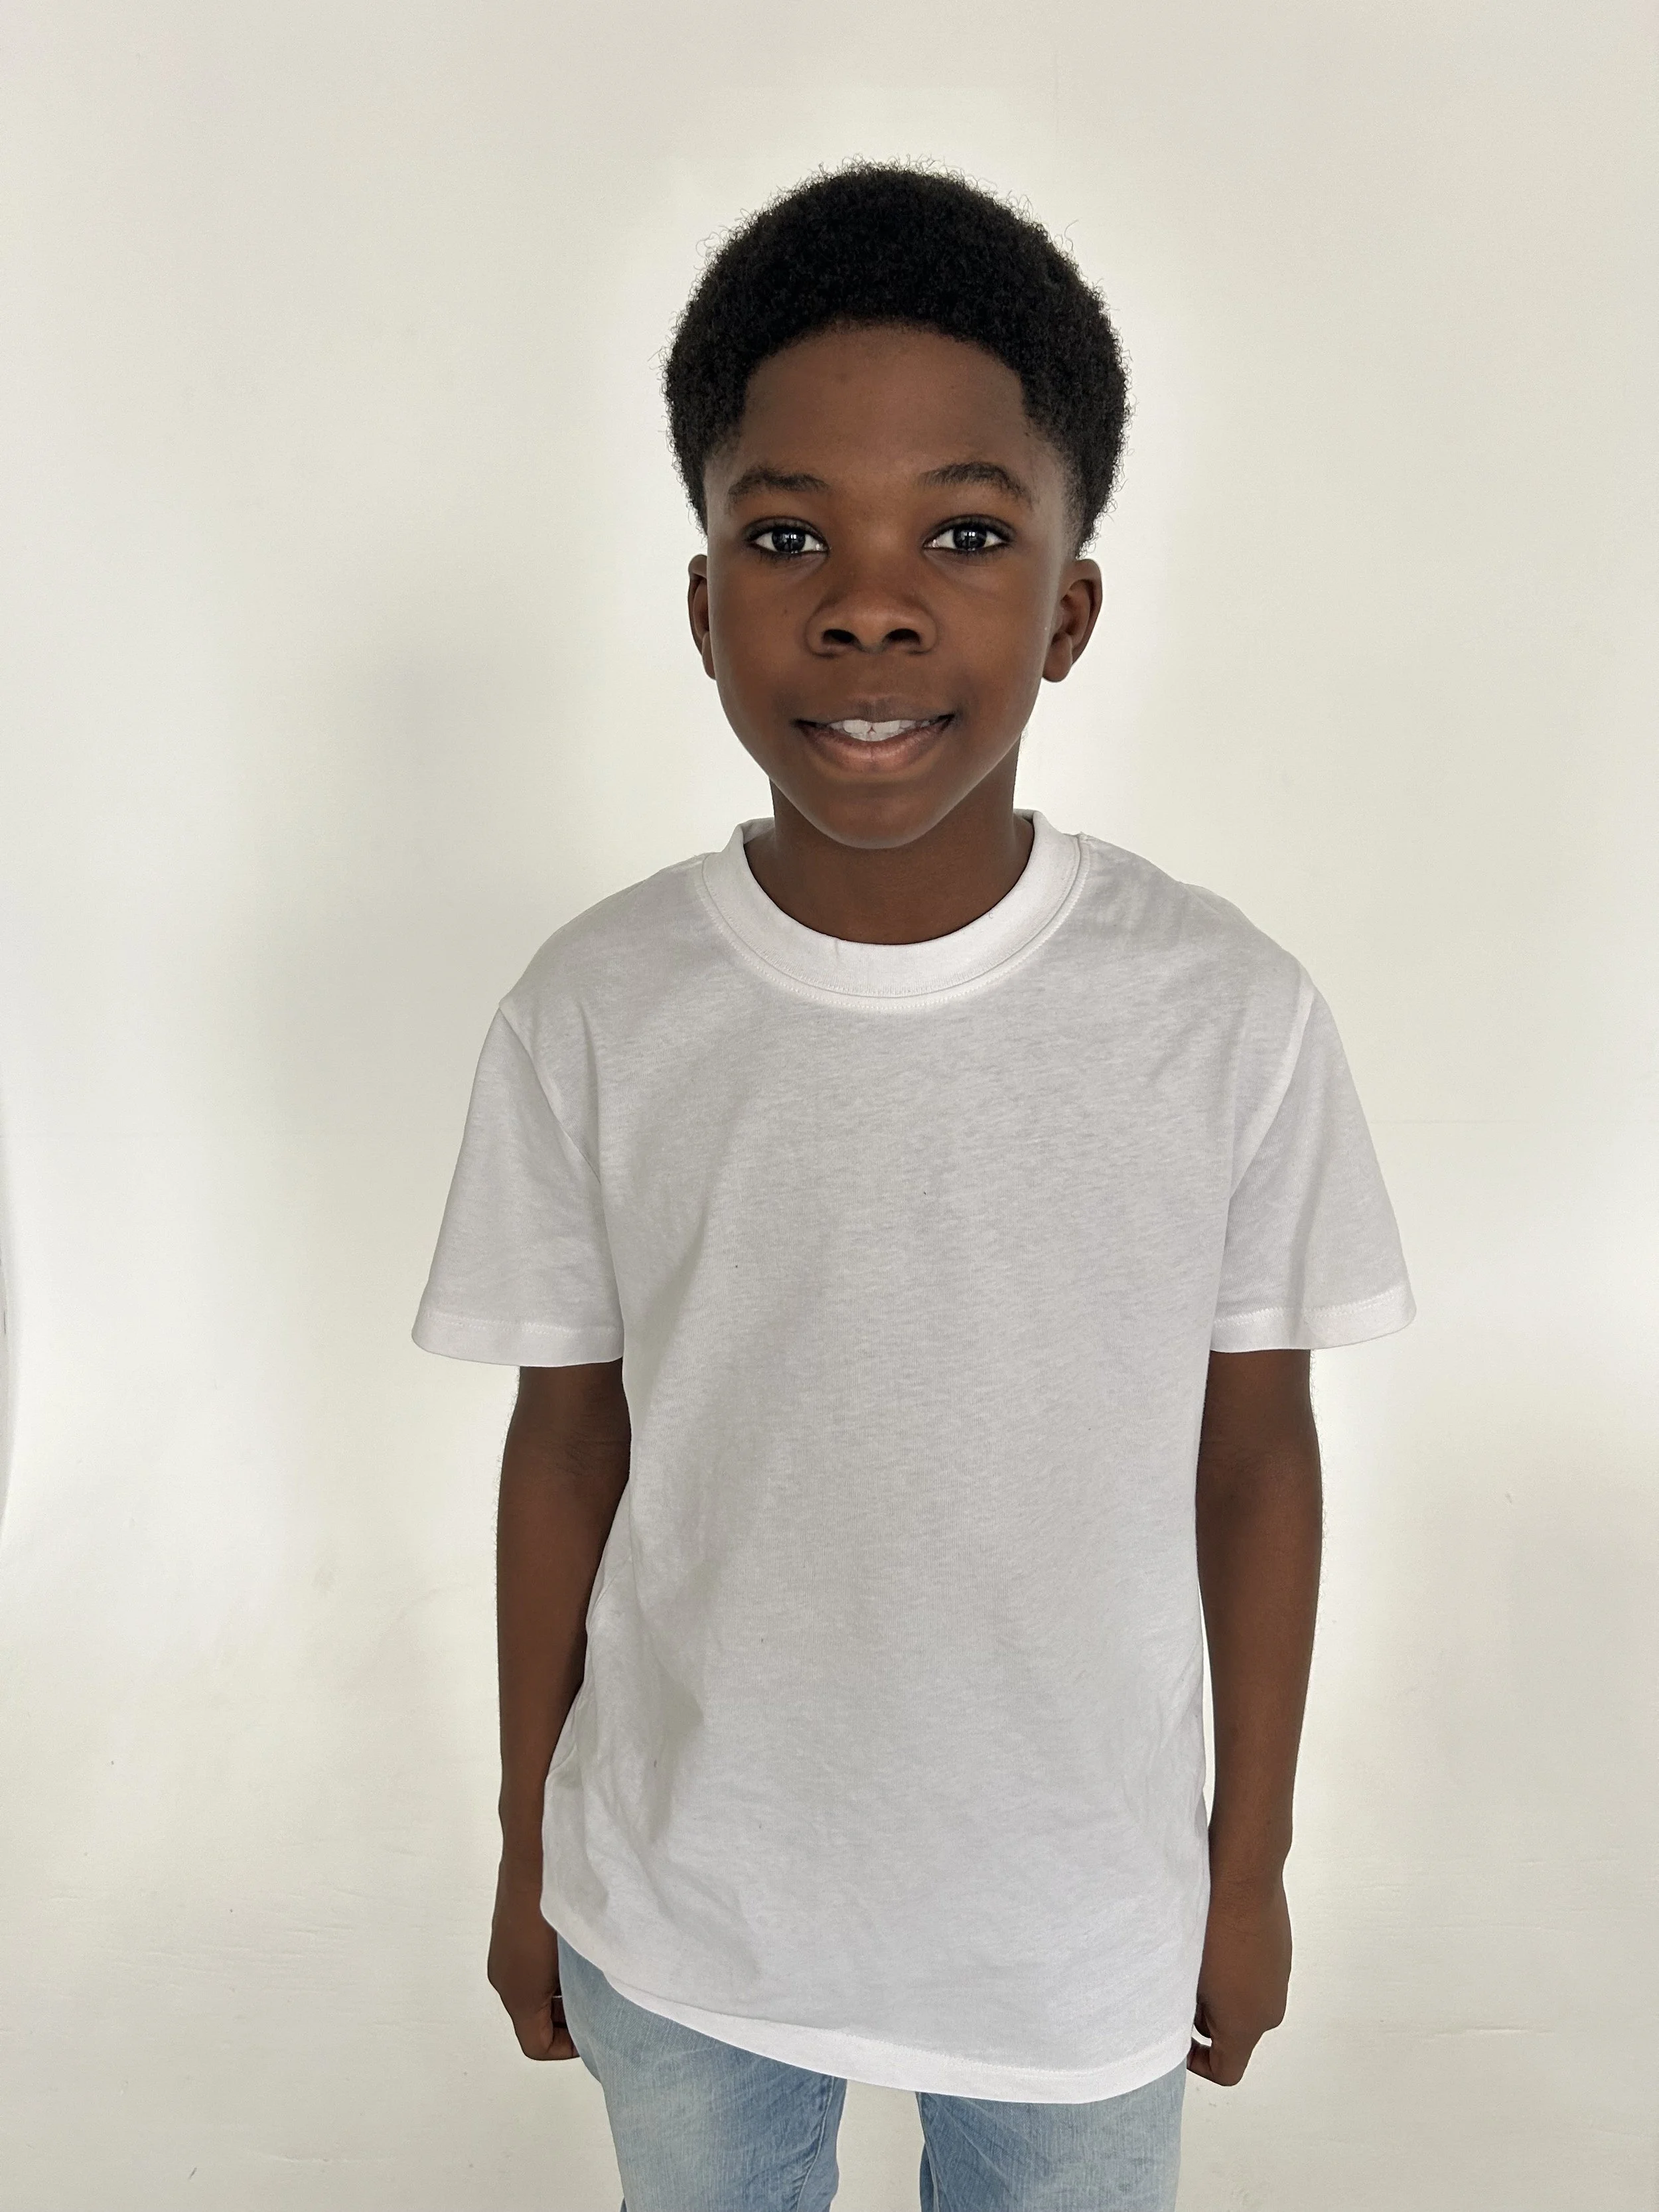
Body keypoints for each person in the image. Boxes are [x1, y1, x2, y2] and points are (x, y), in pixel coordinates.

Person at [412, 162, 1414, 2212]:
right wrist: (530, 1849)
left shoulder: (1220, 1009)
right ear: (702, 599)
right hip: (681, 1906)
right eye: (785, 534)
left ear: (1066, 602)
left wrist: (1250, 1870)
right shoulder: (600, 1004)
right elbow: (565, 1443)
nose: (868, 600)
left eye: (961, 533)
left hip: (1070, 1929)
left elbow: (1254, 1458)